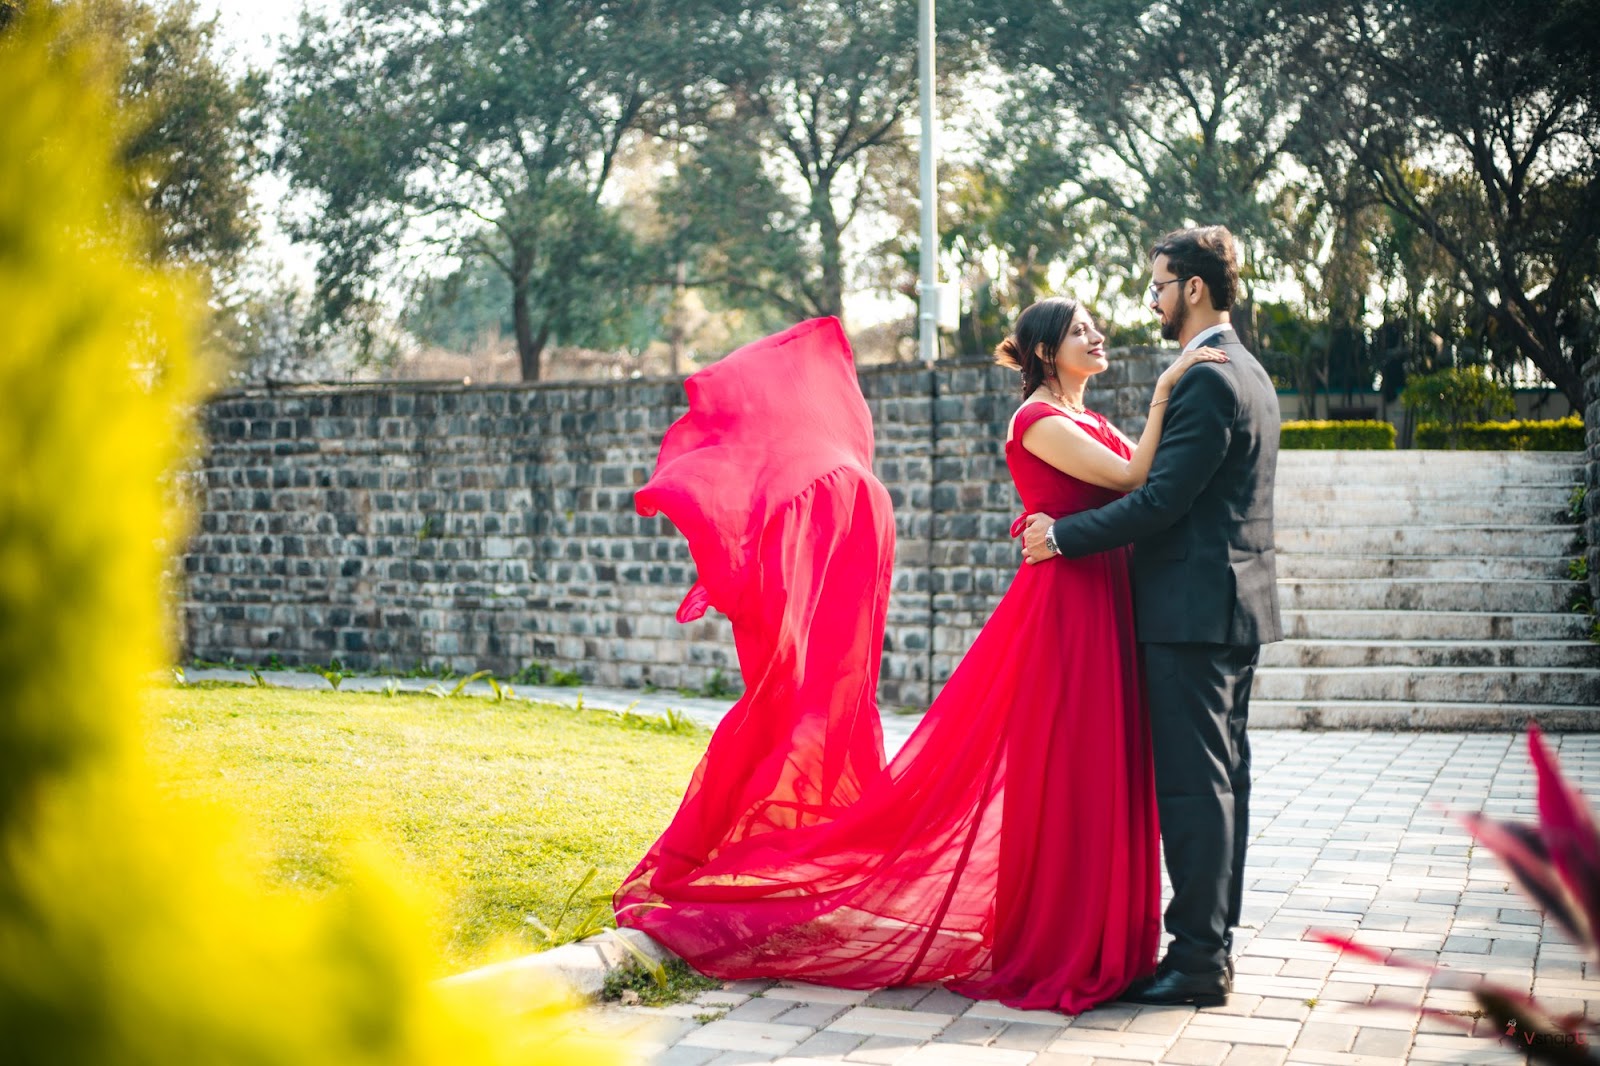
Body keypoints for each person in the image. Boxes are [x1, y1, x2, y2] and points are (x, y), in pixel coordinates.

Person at [613, 301, 1222, 1014]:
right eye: (1079, 328)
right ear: (1047, 350)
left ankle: (1104, 945)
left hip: (1106, 598)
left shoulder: (1089, 416)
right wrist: (1165, 389)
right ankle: (1054, 943)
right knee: (1065, 768)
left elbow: (1132, 479)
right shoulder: (1036, 419)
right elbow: (1129, 480)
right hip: (1068, 611)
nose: (1097, 335)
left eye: (1094, 325)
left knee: (1101, 764)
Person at [1021, 226, 1284, 1008]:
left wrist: (1062, 536)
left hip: (1190, 614)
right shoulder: (1249, 372)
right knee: (1223, 782)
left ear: (1193, 289)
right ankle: (1210, 949)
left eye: (1161, 286)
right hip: (1231, 608)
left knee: (1194, 792)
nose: (1153, 300)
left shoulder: (1207, 377)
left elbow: (1161, 500)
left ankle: (1200, 961)